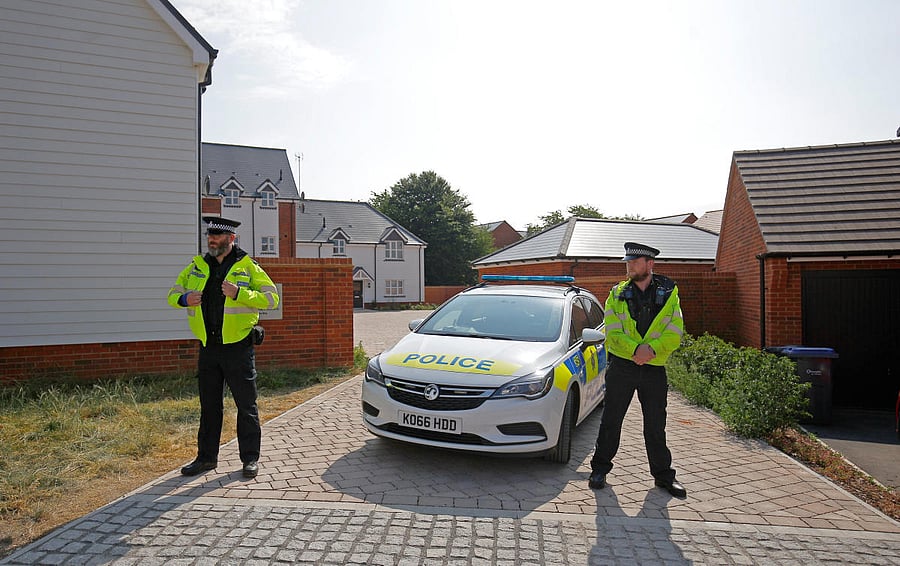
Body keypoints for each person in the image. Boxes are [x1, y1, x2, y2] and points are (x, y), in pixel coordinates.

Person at [167, 216, 279, 478]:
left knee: (246, 405)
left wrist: (240, 294)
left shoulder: (247, 266)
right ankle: (206, 459)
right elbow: (172, 294)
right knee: (209, 406)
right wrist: (184, 299)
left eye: (216, 236)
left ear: (231, 239)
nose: (211, 240)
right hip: (209, 348)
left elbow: (272, 298)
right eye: (209, 236)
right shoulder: (196, 267)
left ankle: (250, 459)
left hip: (238, 347)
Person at [589, 242, 687, 498]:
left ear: (650, 263)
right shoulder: (617, 293)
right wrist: (636, 351)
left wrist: (650, 351)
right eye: (627, 262)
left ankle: (664, 477)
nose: (629, 266)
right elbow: (612, 329)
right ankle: (599, 469)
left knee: (656, 425)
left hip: (653, 368)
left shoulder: (669, 295)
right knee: (611, 420)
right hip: (622, 366)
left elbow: (675, 333)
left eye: (634, 262)